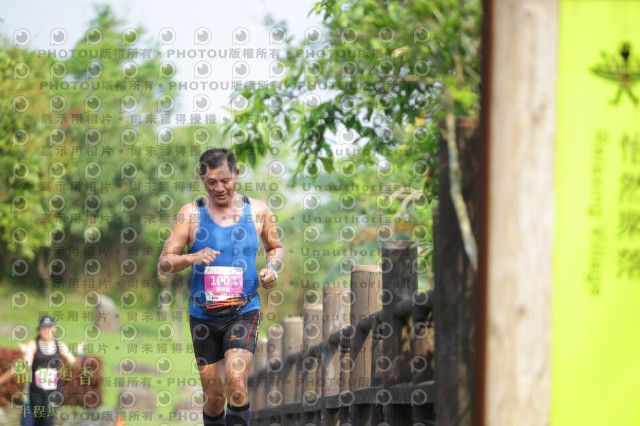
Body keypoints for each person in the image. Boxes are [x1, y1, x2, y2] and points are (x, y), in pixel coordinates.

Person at [158, 148, 284, 426]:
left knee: (237, 383)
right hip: (203, 316)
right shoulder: (190, 214)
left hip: (243, 311)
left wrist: (272, 268)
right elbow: (164, 263)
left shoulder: (258, 210)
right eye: (211, 182)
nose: (219, 188)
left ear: (236, 175)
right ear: (202, 178)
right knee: (214, 397)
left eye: (225, 180)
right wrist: (192, 257)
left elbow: (275, 248)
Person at [0, 316, 86, 426]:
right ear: (39, 330)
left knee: (48, 419)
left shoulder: (59, 345)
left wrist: (79, 354)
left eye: (49, 327)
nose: (47, 330)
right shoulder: (33, 345)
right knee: (38, 420)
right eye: (44, 328)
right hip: (36, 392)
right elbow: (25, 365)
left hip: (54, 391)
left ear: (54, 329)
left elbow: (75, 364)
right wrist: (24, 355)